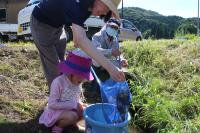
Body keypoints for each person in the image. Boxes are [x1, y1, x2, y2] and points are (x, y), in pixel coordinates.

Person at [30, 0, 125, 90]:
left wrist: (77, 37)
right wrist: (111, 68)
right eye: (107, 7)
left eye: (108, 11)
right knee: (54, 67)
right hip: (41, 24)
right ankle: (57, 101)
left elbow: (76, 24)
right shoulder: (77, 3)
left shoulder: (88, 8)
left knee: (63, 65)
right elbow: (81, 39)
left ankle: (68, 94)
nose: (105, 12)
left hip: (58, 27)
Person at [39, 50, 93, 133]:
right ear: (72, 72)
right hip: (55, 112)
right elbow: (52, 104)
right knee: (73, 116)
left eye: (84, 76)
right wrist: (74, 105)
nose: (82, 79)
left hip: (70, 109)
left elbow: (75, 98)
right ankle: (57, 127)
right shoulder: (58, 82)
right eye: (80, 75)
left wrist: (80, 104)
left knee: (87, 112)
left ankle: (74, 125)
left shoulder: (78, 81)